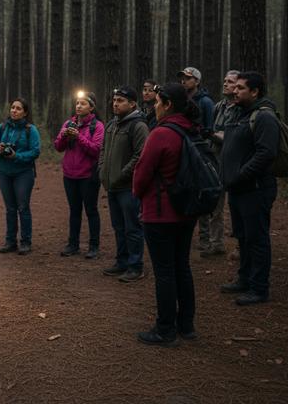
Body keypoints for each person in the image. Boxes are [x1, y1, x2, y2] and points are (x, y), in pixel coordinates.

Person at [133, 83, 200, 346]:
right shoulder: (190, 129)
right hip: (187, 210)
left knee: (164, 271)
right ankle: (186, 325)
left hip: (161, 213)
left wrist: (138, 195)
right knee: (182, 266)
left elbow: (142, 173)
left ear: (168, 104)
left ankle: (165, 330)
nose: (154, 106)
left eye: (157, 102)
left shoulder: (161, 134)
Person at [219, 72, 279, 306]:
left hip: (255, 189)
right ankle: (244, 279)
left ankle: (259, 288)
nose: (235, 91)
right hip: (237, 189)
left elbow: (266, 153)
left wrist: (241, 175)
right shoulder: (238, 113)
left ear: (255, 92)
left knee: (257, 238)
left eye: (241, 88)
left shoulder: (264, 117)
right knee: (243, 237)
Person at [98, 86, 150, 282]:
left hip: (128, 187)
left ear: (132, 104)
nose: (115, 103)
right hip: (112, 186)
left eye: (120, 101)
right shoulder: (112, 124)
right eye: (114, 100)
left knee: (133, 228)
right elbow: (103, 150)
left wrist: (122, 174)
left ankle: (136, 266)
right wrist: (102, 170)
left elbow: (141, 155)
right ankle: (122, 261)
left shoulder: (138, 126)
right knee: (118, 226)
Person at [54, 91, 105, 259]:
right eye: (77, 103)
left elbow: (96, 150)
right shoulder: (69, 123)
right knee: (74, 210)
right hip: (69, 175)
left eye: (83, 103)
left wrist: (79, 138)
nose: (78, 106)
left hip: (88, 176)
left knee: (91, 210)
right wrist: (64, 135)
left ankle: (94, 246)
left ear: (91, 107)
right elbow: (58, 147)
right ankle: (73, 244)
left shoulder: (97, 126)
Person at [0, 98, 42, 255]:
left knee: (23, 207)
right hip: (4, 173)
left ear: (25, 112)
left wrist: (16, 156)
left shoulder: (30, 130)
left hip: (23, 173)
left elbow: (35, 151)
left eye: (18, 108)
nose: (14, 110)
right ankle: (10, 241)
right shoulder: (2, 127)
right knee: (10, 208)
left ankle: (25, 242)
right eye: (12, 107)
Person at [199, 69, 240, 258]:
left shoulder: (241, 108)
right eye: (225, 81)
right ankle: (216, 243)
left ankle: (241, 245)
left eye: (231, 82)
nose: (226, 84)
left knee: (238, 206)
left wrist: (213, 135)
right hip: (216, 161)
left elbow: (234, 137)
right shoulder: (219, 106)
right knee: (216, 205)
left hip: (236, 164)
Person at [177, 67, 215, 132]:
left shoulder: (206, 102)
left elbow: (210, 129)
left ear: (197, 82)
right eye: (182, 79)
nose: (183, 82)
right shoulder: (180, 100)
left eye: (188, 78)